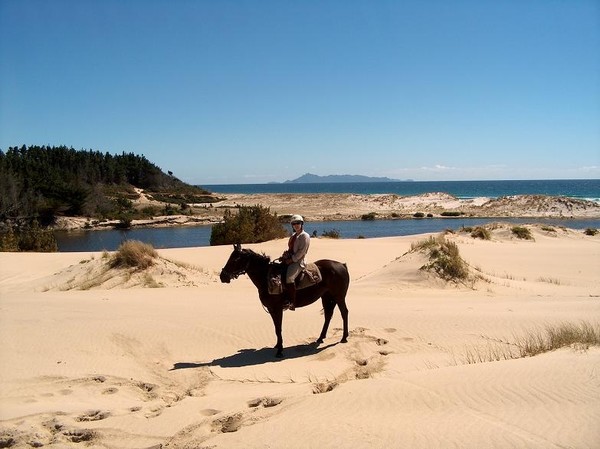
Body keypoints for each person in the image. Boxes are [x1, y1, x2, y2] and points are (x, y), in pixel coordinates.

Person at [282, 214, 310, 310]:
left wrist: (291, 260)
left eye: (298, 223)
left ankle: (292, 302)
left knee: (289, 278)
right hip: (291, 259)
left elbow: (302, 252)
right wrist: (286, 254)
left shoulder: (305, 236)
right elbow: (291, 249)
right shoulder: (293, 236)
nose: (296, 225)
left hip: (298, 262)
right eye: (294, 224)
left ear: (301, 224)